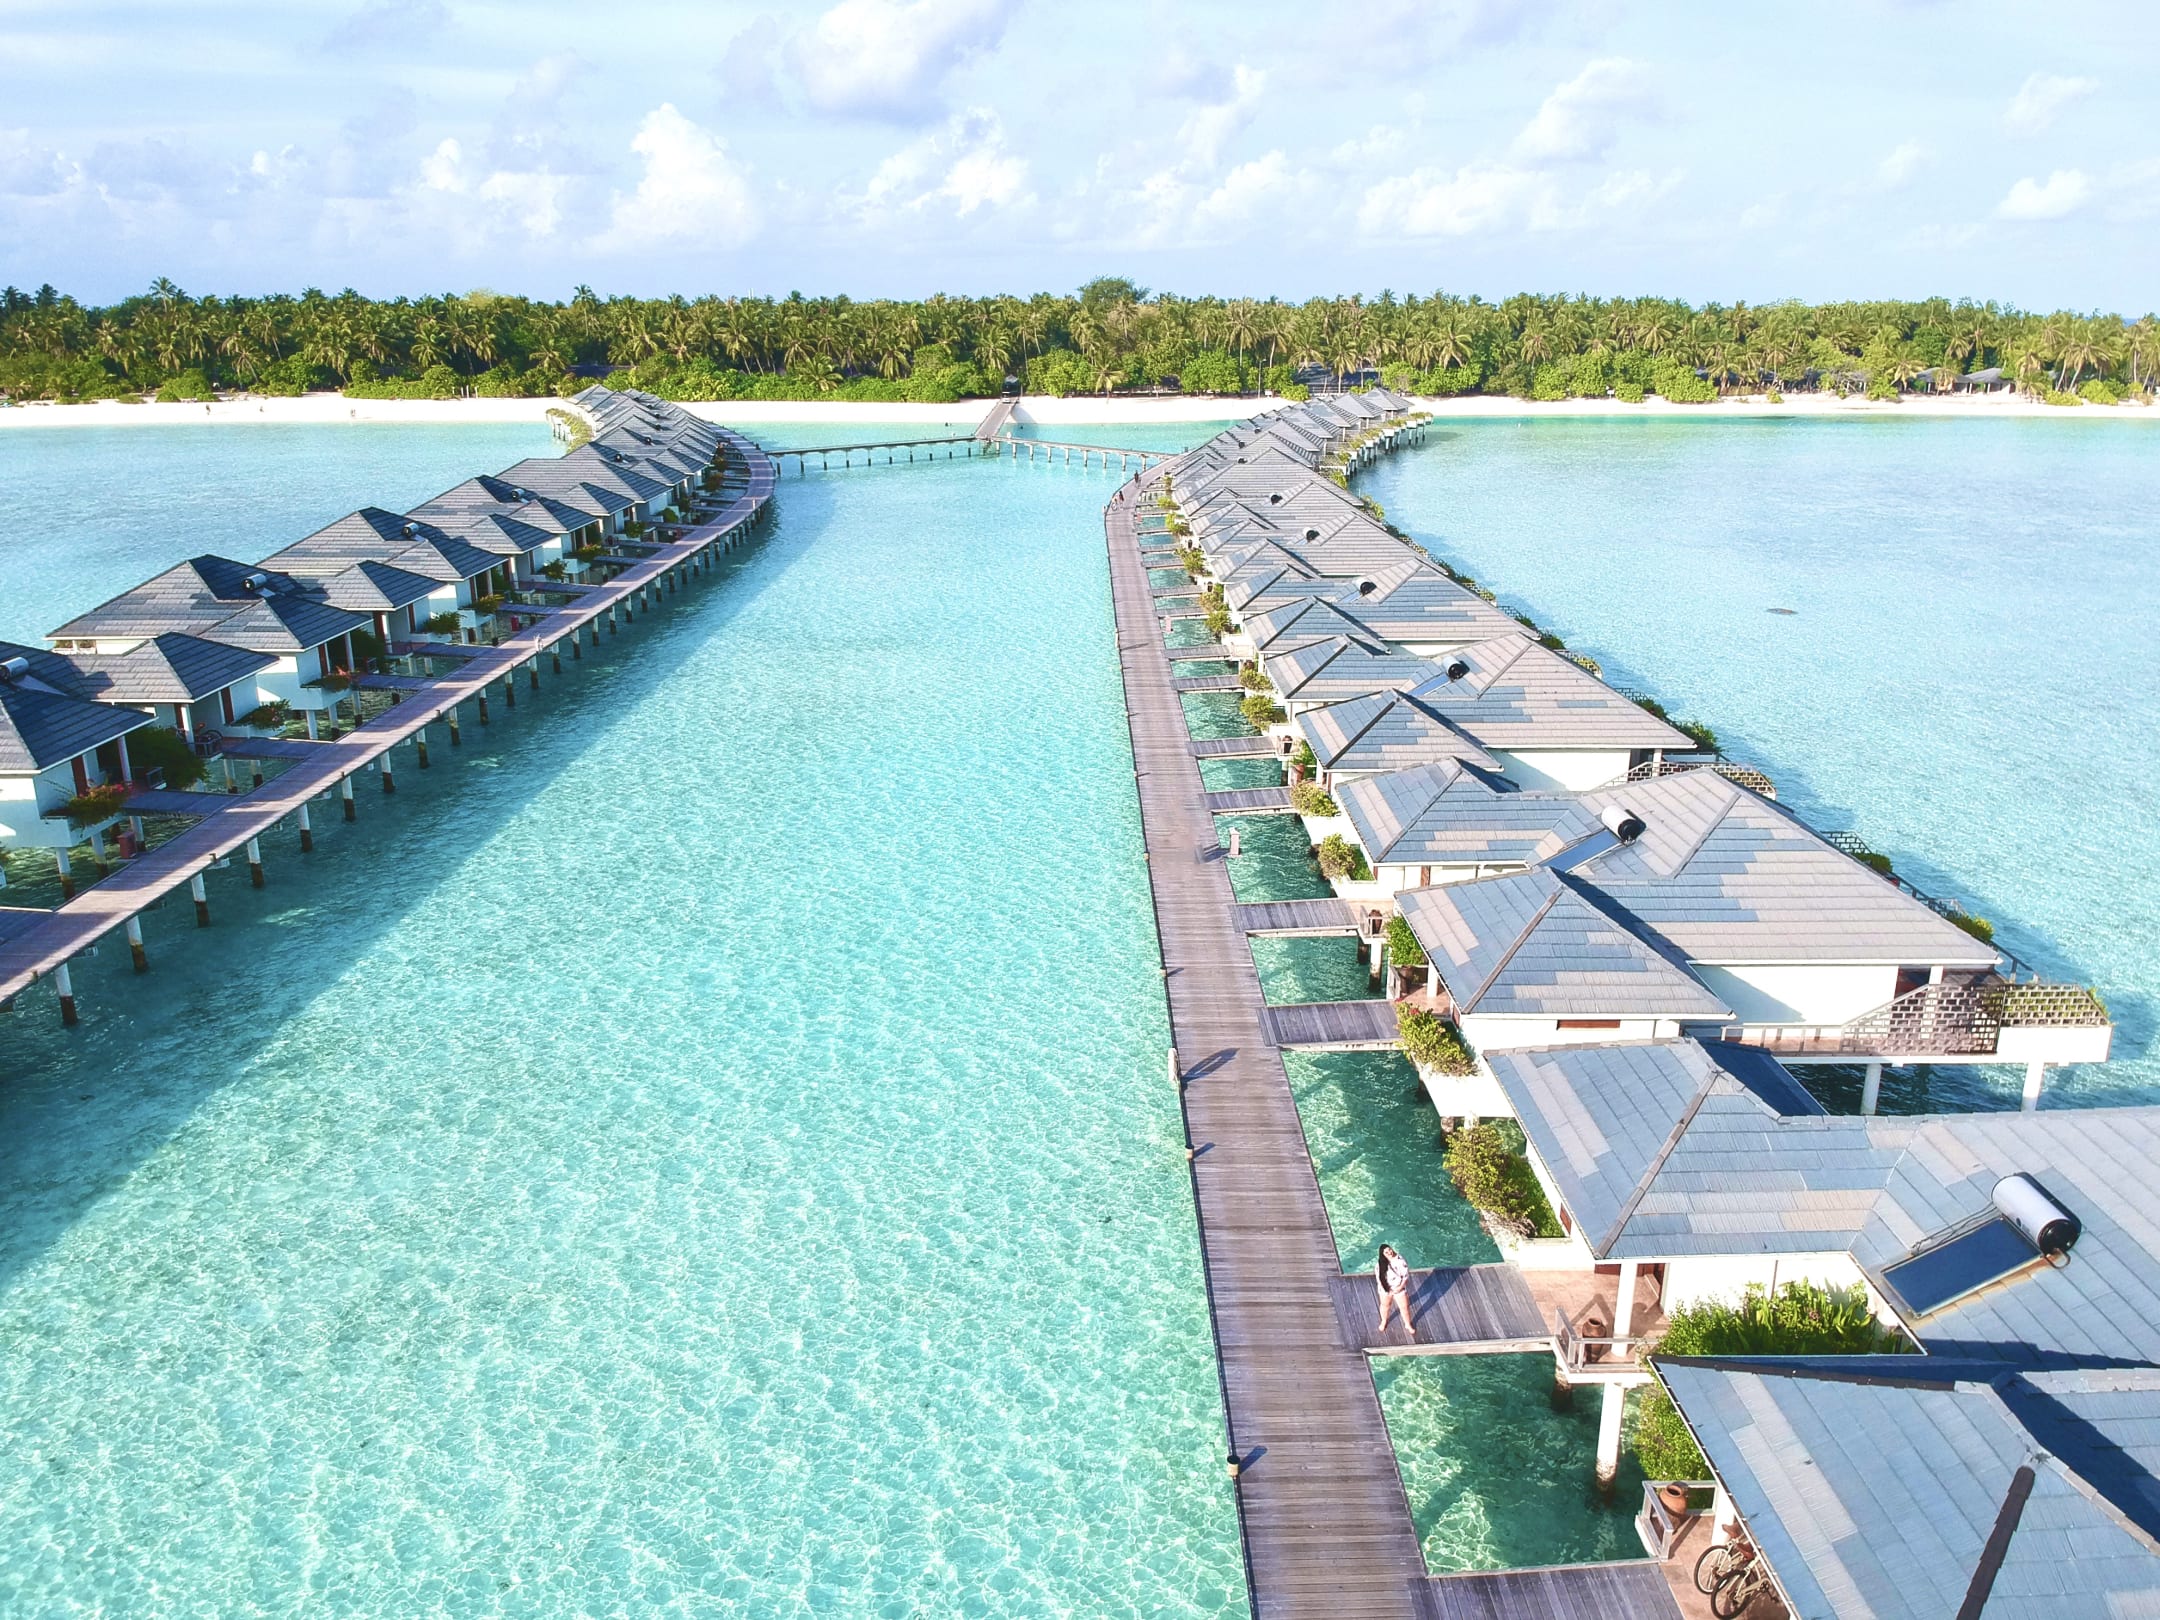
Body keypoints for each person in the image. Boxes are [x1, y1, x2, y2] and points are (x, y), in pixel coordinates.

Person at [1376, 1242, 1414, 1339]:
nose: (1389, 1252)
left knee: (1404, 1307)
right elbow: (1379, 1278)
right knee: (1385, 1306)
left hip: (1399, 1288)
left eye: (1389, 1249)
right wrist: (1387, 1290)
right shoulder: (1380, 1264)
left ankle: (1407, 1324)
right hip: (1385, 1289)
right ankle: (1384, 1321)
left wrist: (1399, 1288)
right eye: (1386, 1252)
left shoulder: (1400, 1260)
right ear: (1383, 1254)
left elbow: (1405, 1276)